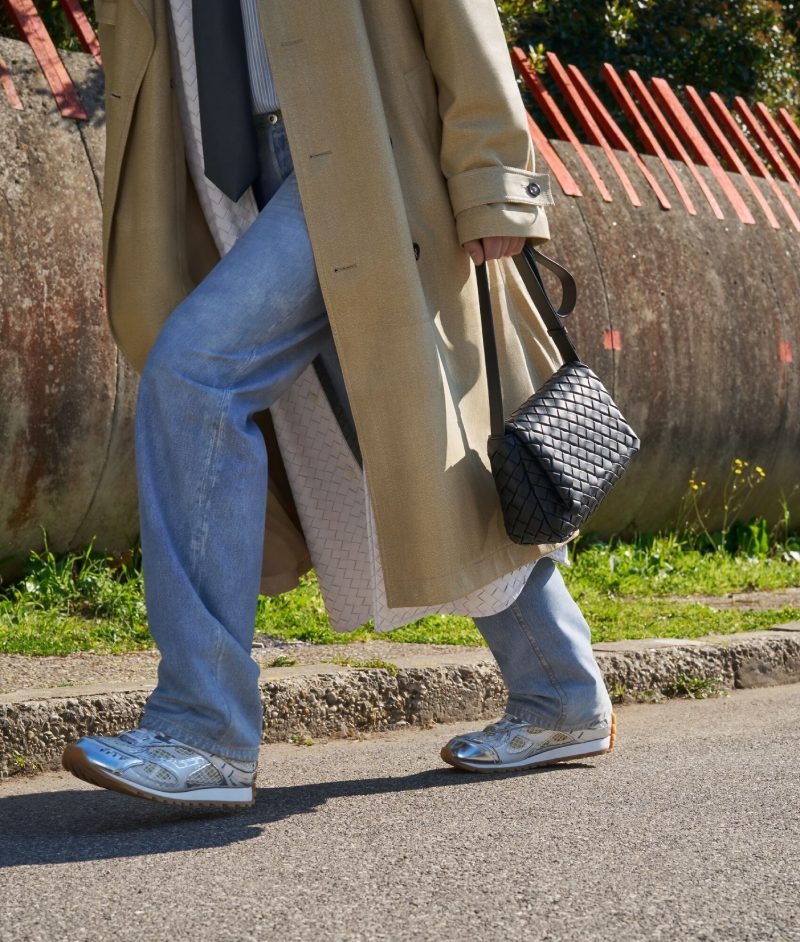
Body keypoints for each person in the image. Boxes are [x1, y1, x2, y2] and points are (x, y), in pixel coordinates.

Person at [62, 0, 614, 808]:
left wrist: (495, 174)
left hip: (360, 147)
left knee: (196, 376)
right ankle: (560, 693)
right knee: (394, 436)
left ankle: (202, 729)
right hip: (236, 166)